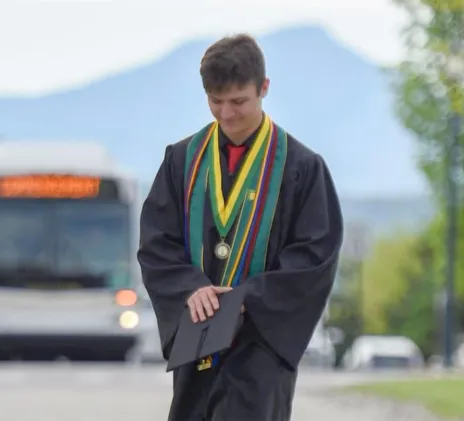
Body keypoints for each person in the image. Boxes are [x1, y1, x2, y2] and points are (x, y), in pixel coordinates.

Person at [137, 33, 343, 421]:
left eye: (238, 101)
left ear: (264, 88)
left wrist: (246, 297)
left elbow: (315, 254)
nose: (226, 114)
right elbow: (156, 243)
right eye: (215, 102)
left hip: (260, 344)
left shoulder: (301, 168)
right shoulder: (183, 161)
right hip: (199, 337)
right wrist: (190, 287)